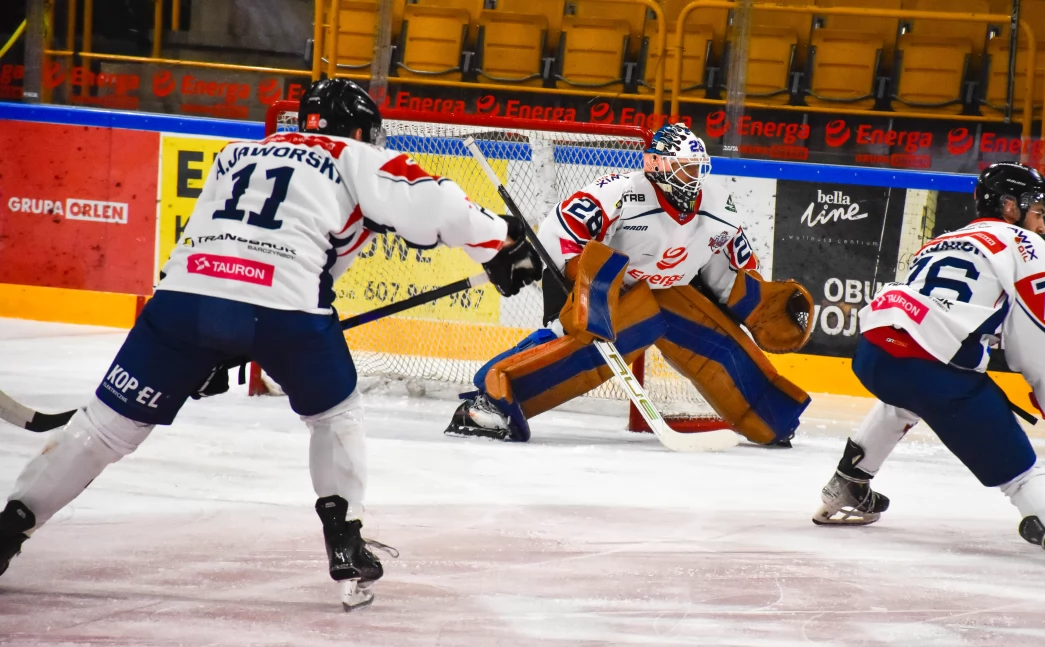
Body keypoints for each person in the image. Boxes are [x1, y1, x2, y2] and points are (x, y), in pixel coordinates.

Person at [0, 79, 543, 608]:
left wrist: (207, 343)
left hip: (183, 299)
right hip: (286, 306)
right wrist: (504, 241)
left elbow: (200, 238)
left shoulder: (237, 155)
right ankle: (345, 538)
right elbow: (441, 209)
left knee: (101, 430)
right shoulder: (354, 156)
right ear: (359, 129)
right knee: (335, 415)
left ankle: (9, 529)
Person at [811, 163, 1045, 570]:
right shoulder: (1026, 245)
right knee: (1019, 471)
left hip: (874, 352)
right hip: (931, 368)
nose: (1044, 224)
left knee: (906, 397)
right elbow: (1032, 338)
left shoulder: (944, 239)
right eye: (1038, 211)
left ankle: (848, 483)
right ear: (1009, 206)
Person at [443, 123, 815, 446]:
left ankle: (770, 416)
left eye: (696, 169)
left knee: (715, 342)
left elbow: (727, 268)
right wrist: (586, 284)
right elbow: (561, 232)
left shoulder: (719, 207)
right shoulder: (621, 193)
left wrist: (753, 300)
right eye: (682, 169)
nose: (692, 178)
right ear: (657, 166)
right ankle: (489, 403)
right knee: (590, 342)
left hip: (666, 293)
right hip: (604, 291)